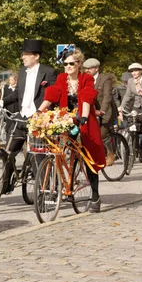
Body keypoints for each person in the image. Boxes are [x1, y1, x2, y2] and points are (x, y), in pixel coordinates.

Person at [38, 49, 105, 213]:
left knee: (88, 157)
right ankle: (62, 186)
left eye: (71, 63)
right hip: (66, 119)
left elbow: (87, 96)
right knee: (58, 150)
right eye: (65, 63)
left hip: (83, 119)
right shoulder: (62, 78)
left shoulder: (86, 78)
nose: (67, 66)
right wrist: (39, 112)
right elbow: (52, 94)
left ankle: (95, 196)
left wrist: (83, 116)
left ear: (79, 64)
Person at [0, 39, 57, 158]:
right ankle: (8, 176)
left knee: (36, 158)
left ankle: (38, 174)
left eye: (27, 54)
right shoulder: (22, 72)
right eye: (23, 54)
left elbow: (52, 96)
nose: (23, 57)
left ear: (37, 56)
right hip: (22, 118)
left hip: (38, 119)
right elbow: (17, 93)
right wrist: (2, 101)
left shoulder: (48, 72)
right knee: (8, 153)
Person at [118, 62, 142, 167]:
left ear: (140, 71)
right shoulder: (130, 81)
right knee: (133, 128)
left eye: (136, 71)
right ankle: (137, 149)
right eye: (132, 71)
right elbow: (127, 95)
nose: (134, 73)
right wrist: (122, 106)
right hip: (136, 108)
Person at [83, 58, 118, 166]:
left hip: (106, 110)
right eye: (86, 68)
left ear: (97, 68)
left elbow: (107, 97)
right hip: (91, 110)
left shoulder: (105, 79)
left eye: (90, 68)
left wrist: (102, 110)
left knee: (102, 134)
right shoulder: (84, 79)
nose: (87, 70)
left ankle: (111, 153)